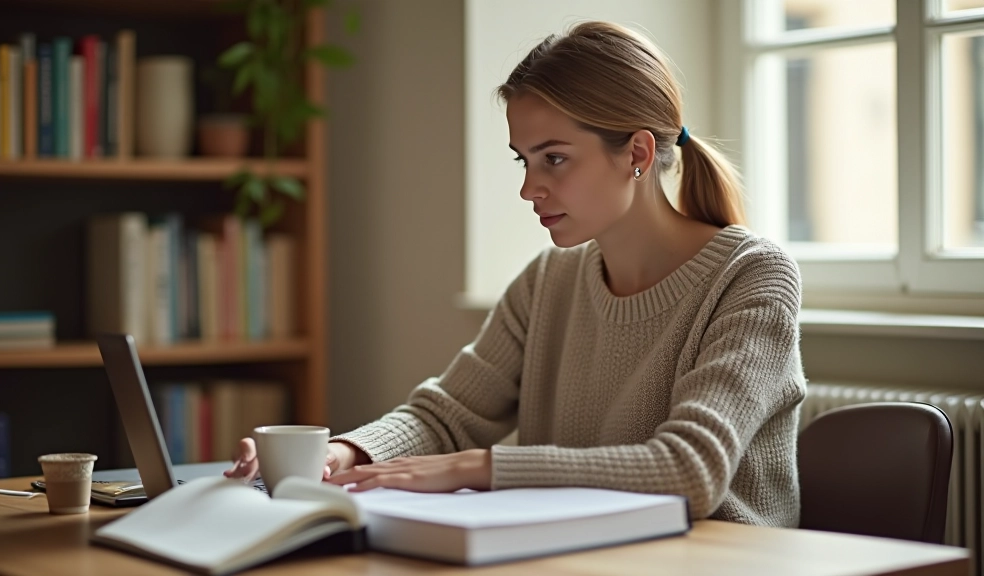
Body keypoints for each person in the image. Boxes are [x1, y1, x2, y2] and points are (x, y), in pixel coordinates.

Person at [226, 20, 806, 527]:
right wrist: (344, 455)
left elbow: (691, 470)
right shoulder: (550, 280)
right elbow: (447, 415)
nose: (530, 189)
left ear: (637, 153)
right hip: (581, 552)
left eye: (554, 158)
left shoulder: (752, 276)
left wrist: (479, 467)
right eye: (523, 160)